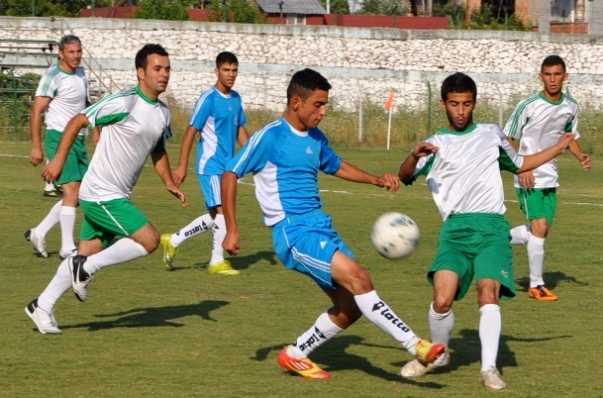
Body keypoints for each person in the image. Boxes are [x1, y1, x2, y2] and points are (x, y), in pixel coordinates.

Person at [221, 68, 446, 380]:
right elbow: (231, 173)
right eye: (318, 104)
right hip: (294, 233)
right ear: (296, 102)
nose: (323, 112)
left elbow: (336, 165)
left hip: (321, 227)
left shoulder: (315, 138)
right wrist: (231, 227)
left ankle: (295, 353)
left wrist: (377, 179)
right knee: (359, 277)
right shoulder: (271, 137)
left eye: (325, 104)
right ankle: (416, 345)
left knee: (350, 307)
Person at [397, 72, 573, 390]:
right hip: (454, 230)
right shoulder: (435, 143)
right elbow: (405, 176)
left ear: (474, 103)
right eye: (454, 104)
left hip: (492, 227)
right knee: (441, 299)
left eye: (466, 104)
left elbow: (520, 163)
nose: (461, 111)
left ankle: (489, 368)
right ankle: (438, 355)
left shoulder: (492, 134)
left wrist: (559, 147)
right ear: (444, 105)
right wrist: (413, 155)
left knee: (487, 292)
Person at [25, 43, 185, 335]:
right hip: (100, 194)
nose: (164, 74)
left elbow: (158, 150)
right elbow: (78, 120)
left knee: (83, 254)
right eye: (157, 69)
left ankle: (41, 306)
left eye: (167, 69)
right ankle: (86, 270)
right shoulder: (124, 102)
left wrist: (169, 182)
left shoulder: (162, 112)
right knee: (149, 240)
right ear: (141, 72)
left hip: (116, 195)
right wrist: (58, 160)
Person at [504, 55, 591, 301]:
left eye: (557, 74)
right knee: (539, 227)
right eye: (547, 74)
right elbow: (508, 138)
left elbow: (568, 137)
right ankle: (536, 285)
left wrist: (580, 155)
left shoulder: (571, 106)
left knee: (539, 231)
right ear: (540, 76)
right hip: (528, 175)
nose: (552, 79)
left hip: (550, 175)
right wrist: (521, 168)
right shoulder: (528, 105)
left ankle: (496, 239)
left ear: (565, 76)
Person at [160, 51, 249, 275]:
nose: (231, 74)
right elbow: (191, 132)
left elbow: (240, 130)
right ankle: (216, 261)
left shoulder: (236, 99)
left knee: (215, 216)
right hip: (210, 165)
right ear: (217, 71)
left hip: (228, 168)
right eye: (226, 70)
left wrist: (252, 156)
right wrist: (182, 165)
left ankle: (174, 239)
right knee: (222, 213)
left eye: (234, 70)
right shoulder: (208, 98)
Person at [26, 34, 89, 259]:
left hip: (79, 140)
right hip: (58, 138)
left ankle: (39, 232)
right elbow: (36, 111)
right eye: (71, 52)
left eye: (79, 51)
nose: (76, 56)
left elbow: (84, 106)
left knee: (79, 194)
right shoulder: (52, 76)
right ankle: (67, 247)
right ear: (61, 54)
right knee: (71, 190)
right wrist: (36, 146)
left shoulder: (82, 74)